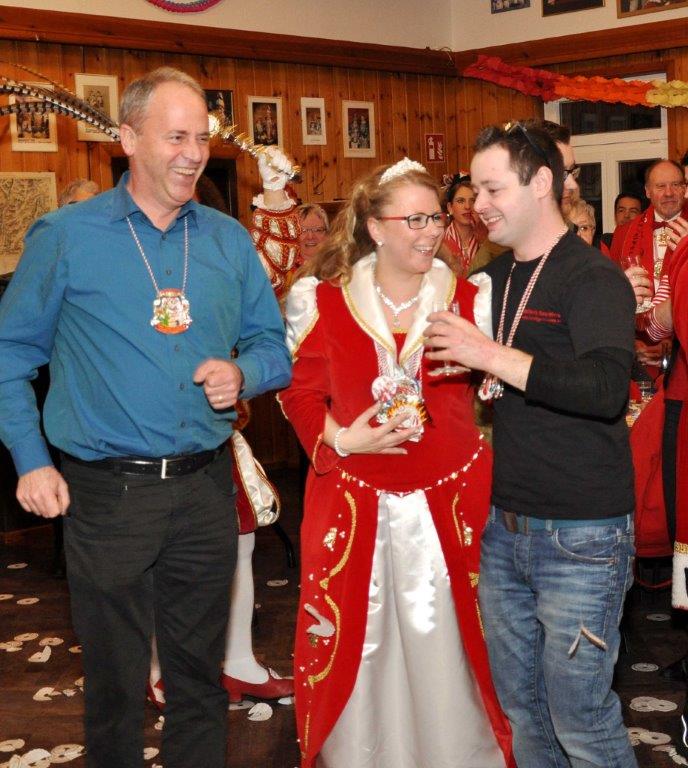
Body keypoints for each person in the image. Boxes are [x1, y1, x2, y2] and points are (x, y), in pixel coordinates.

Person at [0, 67, 291, 768]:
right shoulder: (67, 237)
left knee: (199, 681)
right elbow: (9, 354)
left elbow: (271, 346)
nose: (193, 154)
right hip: (108, 494)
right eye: (176, 137)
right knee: (115, 685)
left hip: (204, 489)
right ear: (128, 139)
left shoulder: (225, 240)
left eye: (201, 138)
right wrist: (31, 460)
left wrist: (244, 373)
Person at [279, 157, 514, 768]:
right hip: (354, 501)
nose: (430, 231)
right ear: (374, 228)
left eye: (435, 218)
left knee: (453, 646)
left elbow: (497, 391)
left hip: (451, 500)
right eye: (414, 220)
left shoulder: (473, 298)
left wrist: (492, 375)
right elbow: (298, 393)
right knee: (362, 645)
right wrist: (340, 439)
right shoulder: (322, 301)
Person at [425, 121, 637, 768]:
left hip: (582, 534)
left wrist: (490, 355)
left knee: (581, 719)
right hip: (505, 527)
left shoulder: (591, 277)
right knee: (523, 713)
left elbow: (605, 388)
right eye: (475, 189)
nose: (479, 203)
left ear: (542, 183)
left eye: (494, 189)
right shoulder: (494, 277)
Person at [146, 174, 294, 711]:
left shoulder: (223, 250)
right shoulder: (134, 257)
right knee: (158, 554)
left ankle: (238, 660)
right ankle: (160, 667)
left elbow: (274, 272)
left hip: (218, 431)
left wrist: (274, 197)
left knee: (240, 543)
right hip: (148, 437)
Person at [610, 159, 688, 377]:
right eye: (660, 186)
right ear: (647, 191)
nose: (669, 193)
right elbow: (613, 298)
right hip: (639, 353)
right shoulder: (623, 235)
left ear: (684, 188)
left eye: (676, 185)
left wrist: (675, 342)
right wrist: (631, 341)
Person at [442, 172, 488, 277]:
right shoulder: (440, 240)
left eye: (473, 201)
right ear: (450, 208)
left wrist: (484, 242)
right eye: (460, 201)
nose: (467, 206)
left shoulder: (490, 239)